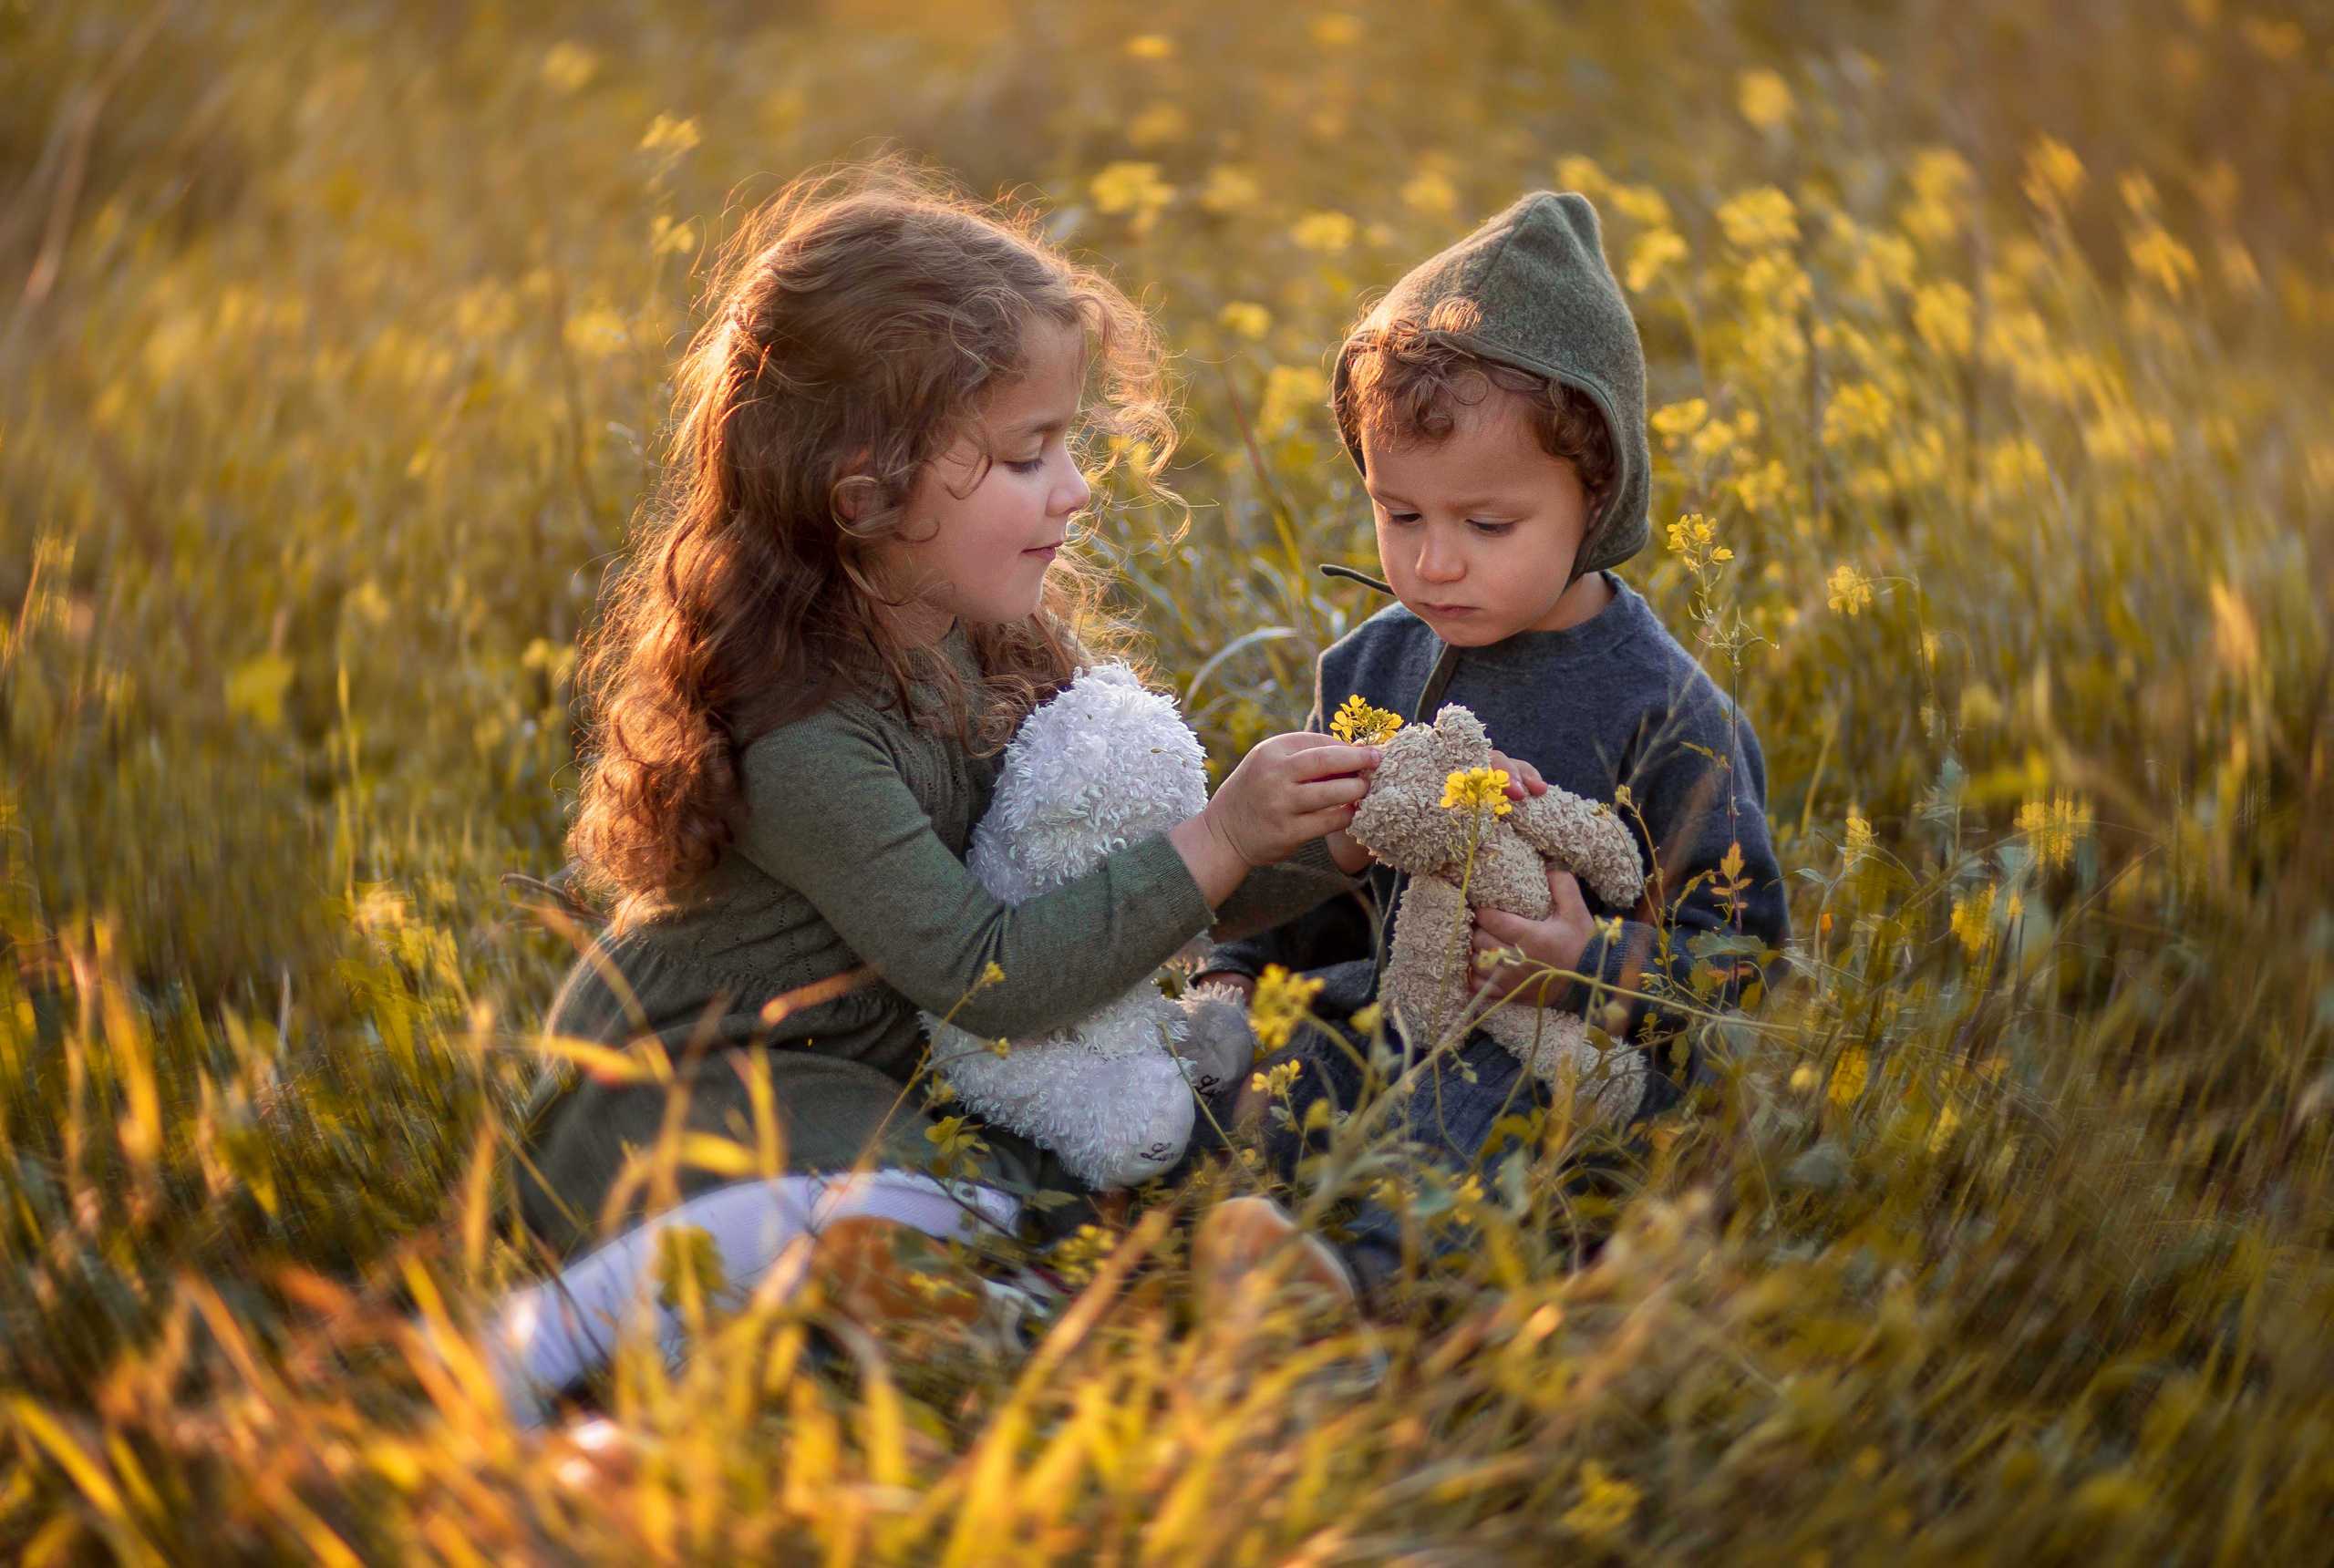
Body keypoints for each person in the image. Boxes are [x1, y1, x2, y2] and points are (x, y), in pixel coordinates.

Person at [495, 165, 1381, 1409]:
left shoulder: (986, 644)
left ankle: (1180, 1281)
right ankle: (630, 1335)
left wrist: (1323, 844)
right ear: (862, 492)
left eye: (1068, 445)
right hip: (706, 1097)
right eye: (1029, 455)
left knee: (1189, 1089)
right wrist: (1219, 838)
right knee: (921, 1186)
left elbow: (1106, 893)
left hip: (911, 1060)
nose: (1074, 490)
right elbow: (994, 974)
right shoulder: (803, 740)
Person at [1190, 191, 1791, 1292]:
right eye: (1399, 514)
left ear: (1595, 496)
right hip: (1391, 1004)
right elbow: (1309, 907)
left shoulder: (1666, 713)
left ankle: (1348, 1287)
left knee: (1472, 1111)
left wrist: (1581, 967)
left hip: (1557, 1058)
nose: (1432, 566)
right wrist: (1248, 956)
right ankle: (1188, 1221)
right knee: (1269, 1073)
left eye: (1486, 525)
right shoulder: (1372, 666)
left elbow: (1740, 965)